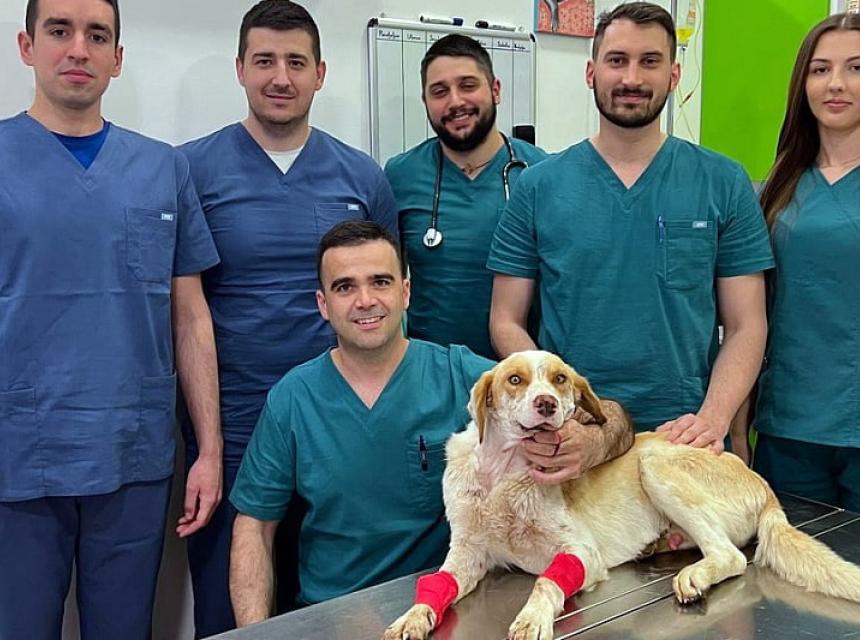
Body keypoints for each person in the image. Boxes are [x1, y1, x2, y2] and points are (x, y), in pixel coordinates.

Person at [228, 220, 633, 625]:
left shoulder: (464, 376)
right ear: (323, 303)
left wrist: (590, 444)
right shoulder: (293, 398)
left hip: (444, 609)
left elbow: (611, 416)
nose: (365, 300)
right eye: (345, 287)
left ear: (406, 291)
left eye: (381, 282)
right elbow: (254, 528)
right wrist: (250, 634)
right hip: (329, 616)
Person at [0, 1, 222, 639]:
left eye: (97, 35)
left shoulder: (163, 168)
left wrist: (209, 449)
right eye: (59, 31)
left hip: (132, 453)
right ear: (26, 46)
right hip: (18, 454)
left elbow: (190, 317)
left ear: (117, 58)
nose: (79, 49)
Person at [178, 1, 398, 634]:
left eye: (296, 62)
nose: (281, 77)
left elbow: (385, 306)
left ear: (320, 73)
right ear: (241, 69)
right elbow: (185, 314)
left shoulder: (362, 176)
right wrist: (209, 447)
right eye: (265, 61)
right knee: (232, 604)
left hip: (341, 420)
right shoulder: (191, 170)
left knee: (339, 605)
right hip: (234, 423)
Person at [488, 1, 774, 454]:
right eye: (617, 60)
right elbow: (505, 320)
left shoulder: (723, 182)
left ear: (674, 76)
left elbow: (746, 325)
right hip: (569, 436)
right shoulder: (538, 187)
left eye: (650, 61)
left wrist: (712, 418)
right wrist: (555, 404)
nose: (632, 78)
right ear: (591, 73)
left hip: (682, 436)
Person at [384, 34, 548, 360]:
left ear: (495, 90)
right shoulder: (400, 174)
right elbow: (384, 279)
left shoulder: (540, 171)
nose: (455, 101)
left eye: (468, 85)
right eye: (439, 91)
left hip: (517, 371)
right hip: (431, 370)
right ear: (425, 101)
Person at [754, 12, 860, 510]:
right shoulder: (778, 186)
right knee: (789, 558)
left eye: (856, 68)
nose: (835, 84)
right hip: (789, 428)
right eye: (820, 69)